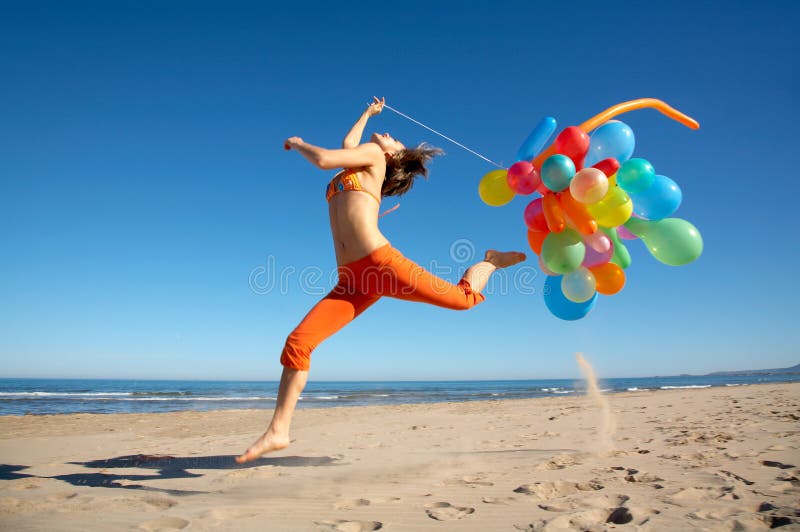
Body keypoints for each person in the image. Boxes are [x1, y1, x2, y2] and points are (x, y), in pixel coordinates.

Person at [236, 97, 526, 463]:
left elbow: (325, 158)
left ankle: (491, 262)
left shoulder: (373, 157)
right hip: (352, 280)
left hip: (380, 263)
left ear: (389, 157)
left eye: (394, 141)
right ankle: (279, 431)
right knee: (298, 342)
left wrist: (297, 143)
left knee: (461, 299)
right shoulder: (361, 161)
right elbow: (345, 147)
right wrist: (367, 114)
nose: (388, 136)